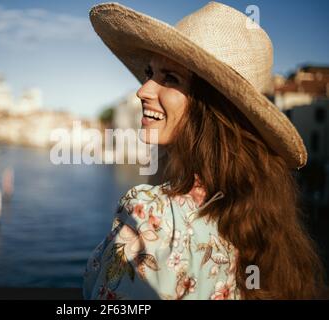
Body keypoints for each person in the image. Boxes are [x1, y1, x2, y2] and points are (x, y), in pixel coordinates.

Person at [83, 1, 325, 299]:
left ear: (212, 108)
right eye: (150, 72)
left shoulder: (151, 212)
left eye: (170, 77)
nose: (143, 90)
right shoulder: (266, 226)